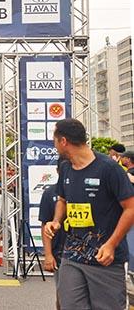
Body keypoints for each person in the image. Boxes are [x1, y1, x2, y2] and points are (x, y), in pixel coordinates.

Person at [45, 118, 134, 310]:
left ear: (63, 141)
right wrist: (56, 221)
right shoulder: (66, 168)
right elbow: (62, 199)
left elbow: (131, 208)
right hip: (72, 255)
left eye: (54, 139)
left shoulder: (109, 169)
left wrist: (111, 244)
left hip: (105, 259)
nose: (54, 144)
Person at [39, 157, 67, 310]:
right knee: (62, 295)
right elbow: (45, 225)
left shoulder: (84, 189)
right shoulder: (50, 194)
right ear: (57, 171)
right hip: (60, 252)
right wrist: (48, 255)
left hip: (84, 252)